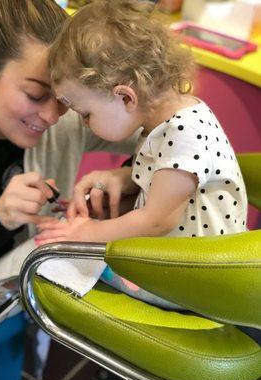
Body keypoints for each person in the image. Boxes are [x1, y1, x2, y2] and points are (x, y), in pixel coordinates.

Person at [0, 0, 136, 380]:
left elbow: (169, 126)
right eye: (37, 95)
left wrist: (125, 174)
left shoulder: (68, 119)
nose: (54, 116)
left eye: (64, 98)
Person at [35, 0, 248, 247]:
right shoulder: (161, 124)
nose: (83, 123)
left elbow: (156, 222)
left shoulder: (184, 133)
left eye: (86, 113)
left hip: (201, 274)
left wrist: (89, 233)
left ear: (126, 97)